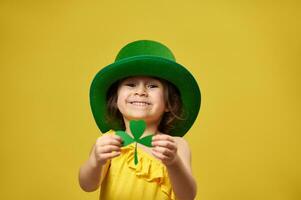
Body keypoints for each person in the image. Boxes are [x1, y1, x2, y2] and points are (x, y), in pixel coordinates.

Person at [78, 40, 201, 200]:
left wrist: (174, 163)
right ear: (115, 100)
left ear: (169, 104)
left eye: (152, 86)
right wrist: (95, 161)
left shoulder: (176, 145)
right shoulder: (110, 141)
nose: (141, 92)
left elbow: (187, 196)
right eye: (131, 84)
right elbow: (87, 185)